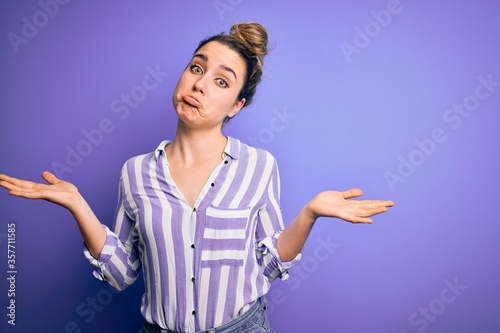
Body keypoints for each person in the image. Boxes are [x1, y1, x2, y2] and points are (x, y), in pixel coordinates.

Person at [0, 22, 394, 333]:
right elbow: (121, 275)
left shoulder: (259, 166)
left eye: (221, 81)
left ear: (236, 106)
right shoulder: (135, 173)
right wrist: (77, 205)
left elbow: (270, 265)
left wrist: (308, 214)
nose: (200, 84)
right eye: (196, 67)